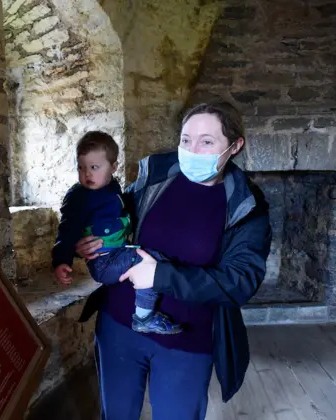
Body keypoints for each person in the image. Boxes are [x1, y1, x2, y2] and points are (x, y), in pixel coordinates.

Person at [75, 101, 272, 419]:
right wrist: (92, 239)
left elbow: (240, 281)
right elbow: (114, 216)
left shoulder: (244, 205)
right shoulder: (156, 175)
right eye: (185, 140)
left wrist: (161, 276)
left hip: (187, 341)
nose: (192, 150)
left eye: (207, 141)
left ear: (234, 146)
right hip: (118, 328)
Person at [52, 131, 182, 335]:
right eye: (81, 167)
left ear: (113, 168)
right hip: (104, 262)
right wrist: (62, 260)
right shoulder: (78, 197)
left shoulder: (114, 188)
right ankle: (143, 317)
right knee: (149, 263)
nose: (87, 174)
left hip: (117, 253)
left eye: (94, 168)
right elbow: (67, 230)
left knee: (154, 260)